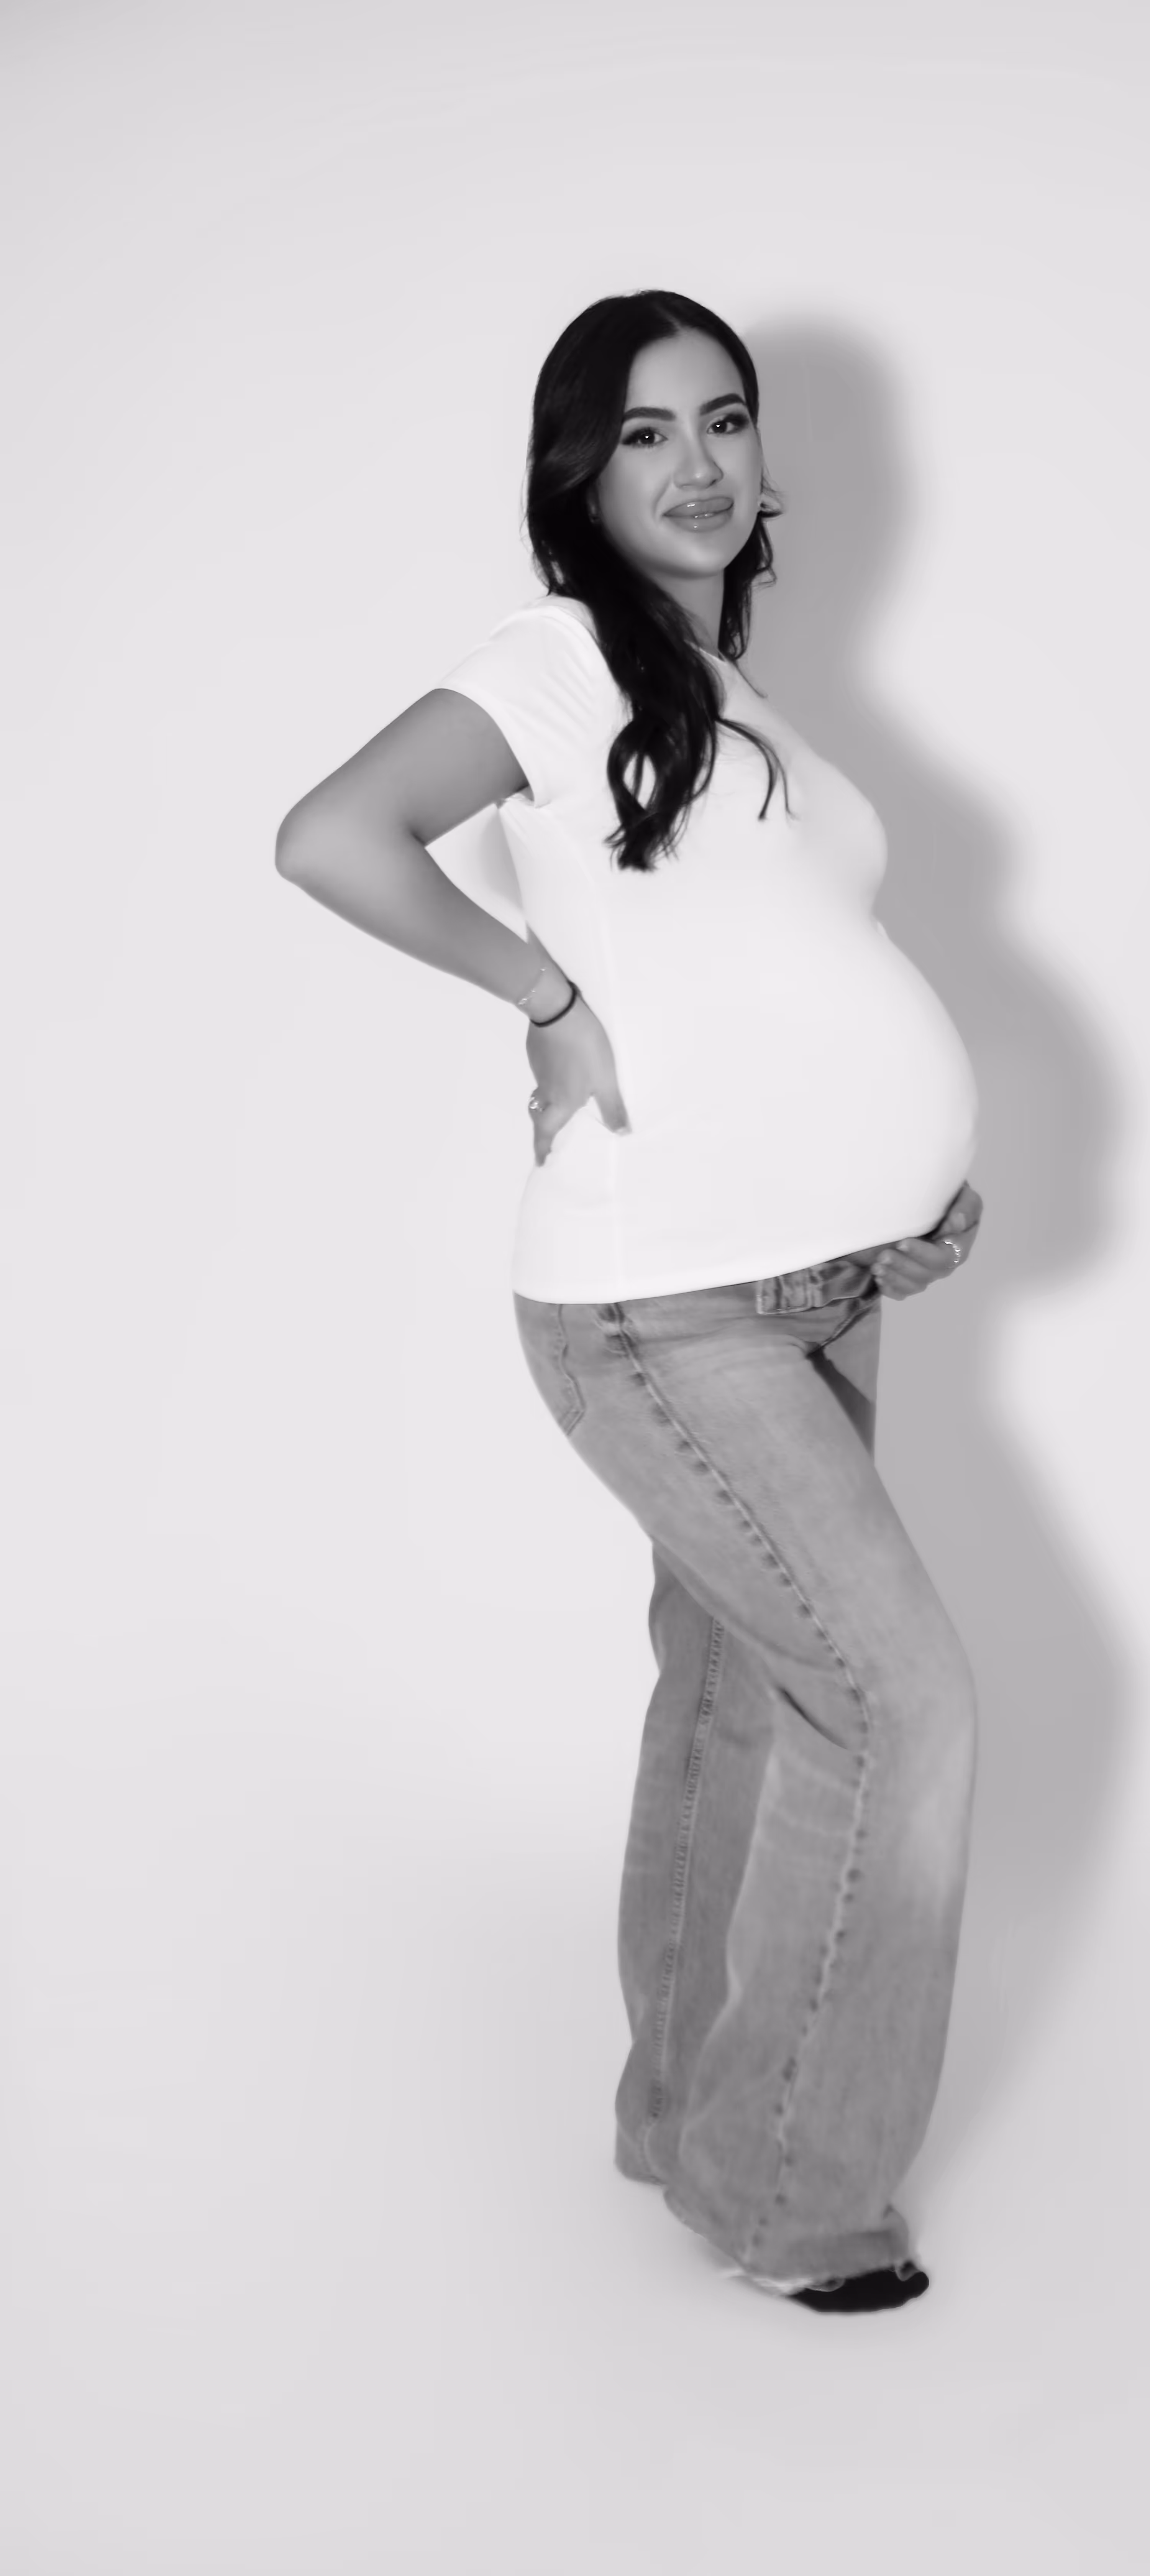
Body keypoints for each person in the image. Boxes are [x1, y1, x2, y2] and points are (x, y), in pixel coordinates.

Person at [275, 290, 984, 2315]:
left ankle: (684, 2117)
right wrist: (543, 998)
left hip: (813, 1276)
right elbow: (331, 836)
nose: (699, 463)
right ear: (579, 471)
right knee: (900, 1701)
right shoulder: (555, 656)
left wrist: (892, 1165)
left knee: (749, 1693)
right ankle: (792, 2199)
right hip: (664, 1304)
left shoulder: (717, 693)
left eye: (727, 421)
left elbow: (753, 966)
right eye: (648, 430)